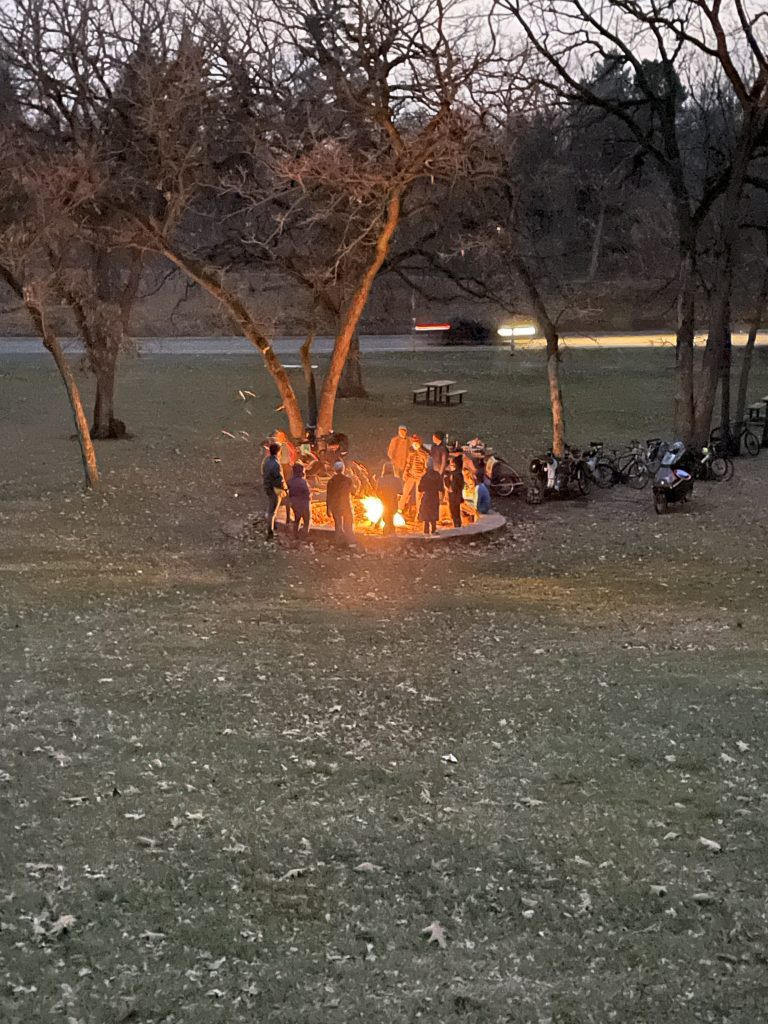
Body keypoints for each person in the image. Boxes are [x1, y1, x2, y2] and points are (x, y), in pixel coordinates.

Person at [326, 461, 355, 544]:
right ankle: (350, 542)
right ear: (343, 469)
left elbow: (329, 496)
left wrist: (328, 509)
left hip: (335, 507)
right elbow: (354, 492)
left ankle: (339, 543)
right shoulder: (348, 480)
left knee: (338, 526)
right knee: (348, 525)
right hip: (346, 505)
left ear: (335, 470)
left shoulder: (331, 481)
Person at [262, 442, 286, 540]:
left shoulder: (266, 461)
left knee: (272, 508)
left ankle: (273, 527)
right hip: (275, 489)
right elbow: (279, 479)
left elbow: (263, 473)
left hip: (268, 487)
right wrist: (284, 488)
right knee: (272, 511)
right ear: (278, 452)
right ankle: (270, 532)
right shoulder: (276, 464)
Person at [401, 435, 429, 515]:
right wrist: (405, 472)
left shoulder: (424, 454)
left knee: (418, 497)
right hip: (411, 475)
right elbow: (408, 463)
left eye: (416, 443)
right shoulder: (411, 452)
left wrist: (424, 475)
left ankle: (418, 514)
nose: (415, 444)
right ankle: (400, 510)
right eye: (413, 443)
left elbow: (426, 466)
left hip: (420, 477)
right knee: (405, 493)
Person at [418, 458, 443, 535]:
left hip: (427, 497)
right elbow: (441, 487)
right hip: (434, 496)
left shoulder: (424, 476)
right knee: (433, 513)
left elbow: (420, 489)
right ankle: (434, 529)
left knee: (426, 513)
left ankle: (426, 530)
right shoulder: (437, 475)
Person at [377, 461, 402, 535]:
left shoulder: (380, 480)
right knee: (391, 518)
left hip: (384, 502)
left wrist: (381, 498)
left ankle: (386, 534)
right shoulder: (396, 480)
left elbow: (377, 491)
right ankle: (391, 534)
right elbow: (401, 492)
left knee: (386, 518)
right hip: (394, 502)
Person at [287, 463, 312, 539]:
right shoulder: (303, 482)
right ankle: (304, 535)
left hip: (294, 503)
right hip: (304, 503)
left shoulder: (290, 481)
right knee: (307, 520)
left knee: (297, 519)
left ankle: (295, 535)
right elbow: (307, 493)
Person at [445, 456, 464, 528]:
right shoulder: (450, 474)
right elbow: (447, 482)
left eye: (452, 465)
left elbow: (460, 485)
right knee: (452, 509)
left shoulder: (458, 474)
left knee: (456, 510)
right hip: (451, 495)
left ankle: (458, 524)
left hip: (456, 495)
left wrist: (453, 489)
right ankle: (455, 523)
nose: (450, 466)